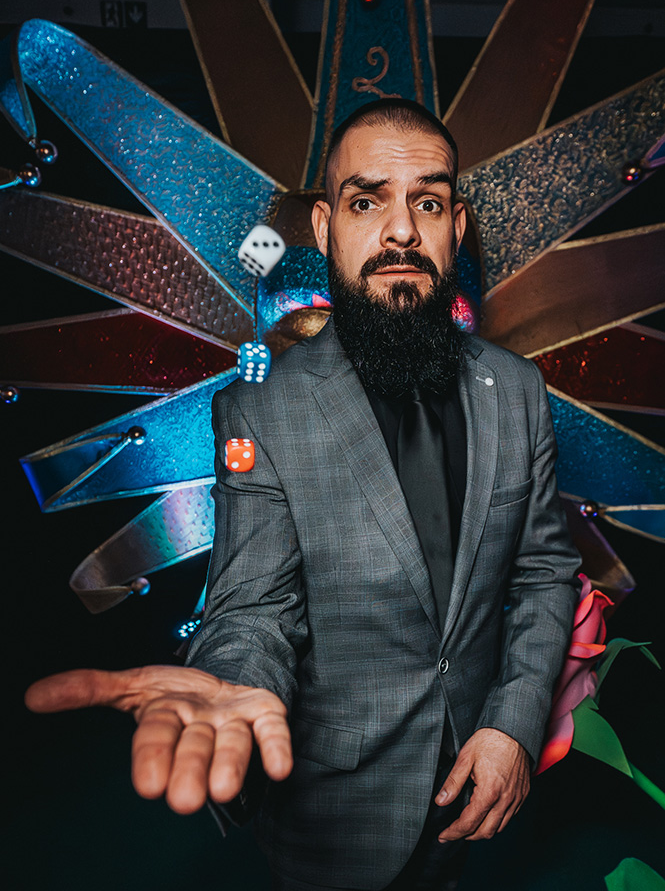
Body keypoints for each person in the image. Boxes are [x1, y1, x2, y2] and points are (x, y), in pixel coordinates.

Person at [26, 99, 581, 890]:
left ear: (456, 226)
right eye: (366, 202)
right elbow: (253, 610)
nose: (400, 231)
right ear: (324, 228)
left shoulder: (517, 390)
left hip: (471, 784)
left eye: (427, 203)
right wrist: (230, 686)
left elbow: (541, 572)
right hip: (333, 814)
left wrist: (512, 726)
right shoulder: (260, 409)